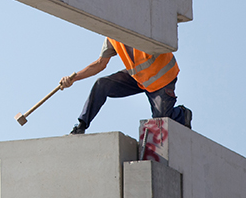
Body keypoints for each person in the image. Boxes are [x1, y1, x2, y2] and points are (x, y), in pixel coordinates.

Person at [59, 37, 192, 134]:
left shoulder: (140, 25)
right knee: (102, 84)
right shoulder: (111, 36)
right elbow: (100, 63)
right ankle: (82, 125)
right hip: (139, 78)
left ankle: (181, 114)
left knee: (160, 122)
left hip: (162, 78)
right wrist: (73, 79)